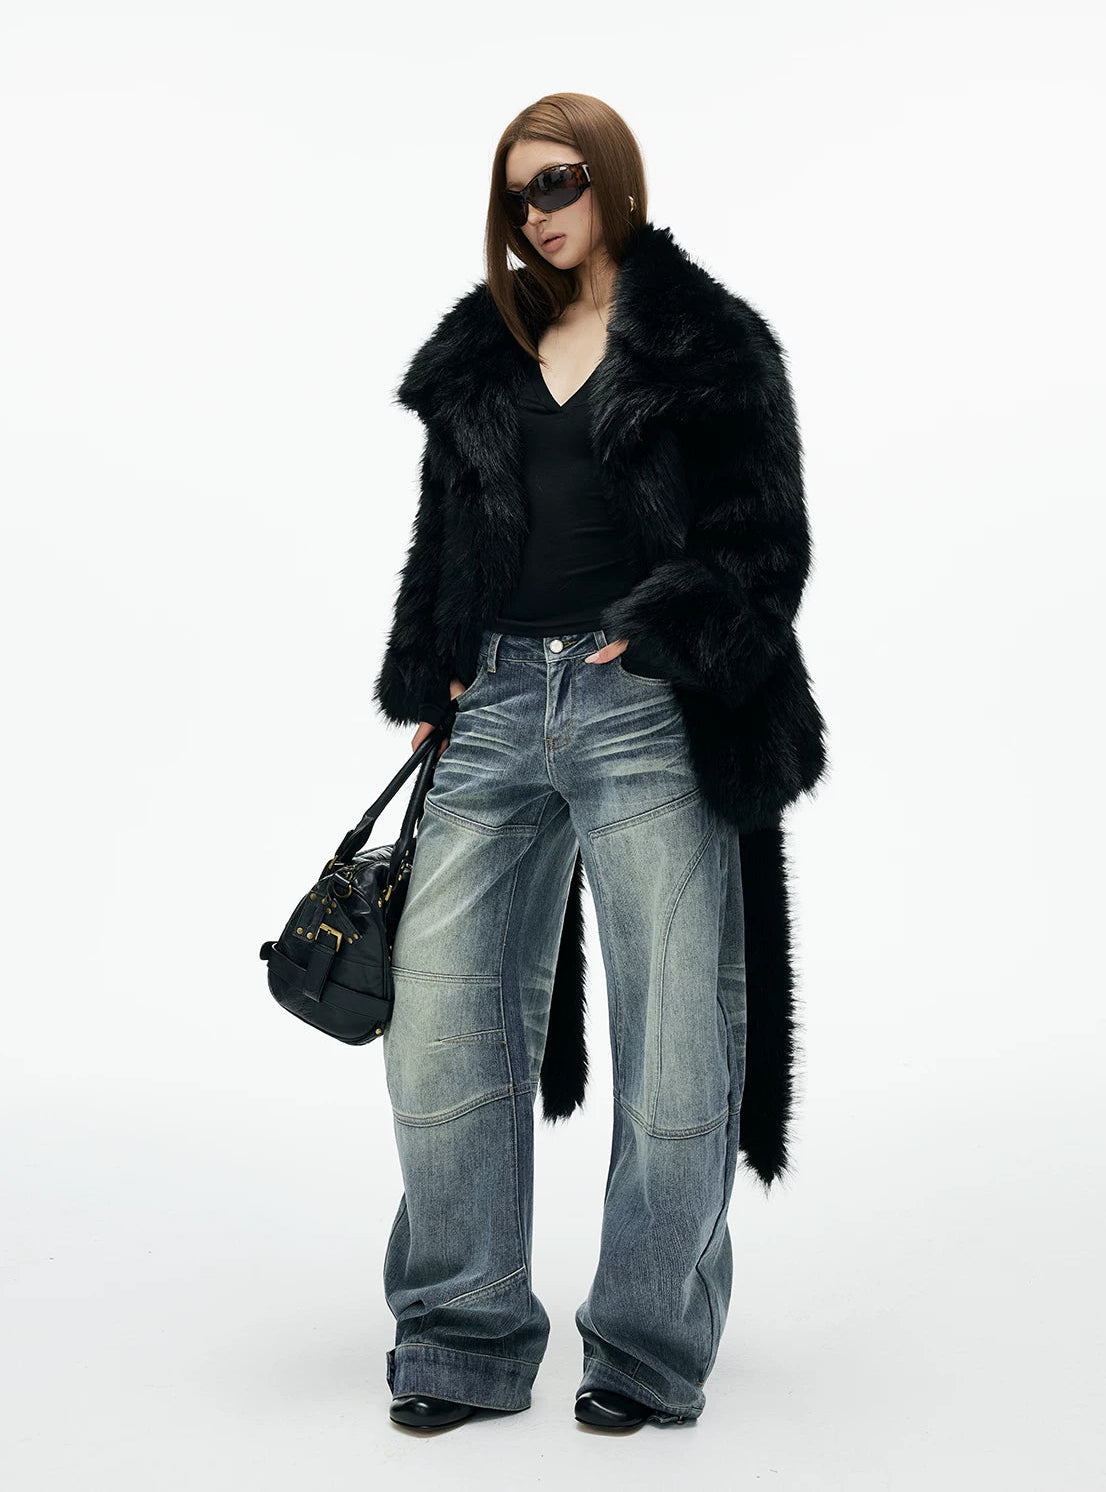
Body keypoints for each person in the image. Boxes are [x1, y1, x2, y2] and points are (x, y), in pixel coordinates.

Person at [372, 92, 827, 1433]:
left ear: (615, 181)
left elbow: (765, 544)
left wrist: (666, 629)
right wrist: (434, 669)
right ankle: (461, 1334)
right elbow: (444, 533)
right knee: (438, 1020)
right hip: (494, 701)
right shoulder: (488, 348)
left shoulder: (706, 342)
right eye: (517, 192)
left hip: (645, 705)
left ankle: (643, 1348)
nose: (538, 212)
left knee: (676, 1037)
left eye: (560, 182)